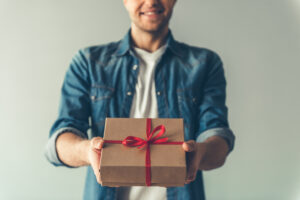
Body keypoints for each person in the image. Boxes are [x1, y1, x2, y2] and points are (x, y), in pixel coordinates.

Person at [45, 0, 235, 199]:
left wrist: (201, 152)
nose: (152, 1)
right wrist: (88, 150)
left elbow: (218, 136)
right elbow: (58, 143)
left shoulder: (205, 64)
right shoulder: (88, 62)